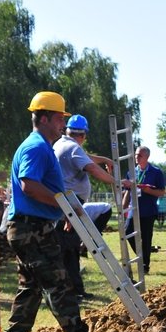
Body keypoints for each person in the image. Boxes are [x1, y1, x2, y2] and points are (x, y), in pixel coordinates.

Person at [1, 91, 112, 332]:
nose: (64, 124)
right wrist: (63, 205)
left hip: (30, 227)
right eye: (60, 118)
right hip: (32, 230)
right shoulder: (36, 147)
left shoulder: (41, 145)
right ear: (47, 118)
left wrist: (60, 212)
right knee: (60, 285)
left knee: (32, 288)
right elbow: (29, 185)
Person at [54, 114, 126, 296]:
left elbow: (85, 157)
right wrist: (118, 182)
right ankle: (71, 291)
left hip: (66, 203)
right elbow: (92, 168)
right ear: (83, 135)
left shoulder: (63, 144)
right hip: (70, 204)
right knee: (68, 249)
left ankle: (75, 290)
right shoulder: (72, 148)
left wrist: (105, 160)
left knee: (69, 249)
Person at [123, 146, 165, 274]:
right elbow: (127, 191)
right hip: (133, 210)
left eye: (139, 155)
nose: (136, 157)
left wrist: (148, 190)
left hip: (148, 211)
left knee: (146, 238)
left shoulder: (156, 172)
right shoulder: (131, 172)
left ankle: (145, 265)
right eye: (136, 154)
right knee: (127, 232)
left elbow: (161, 192)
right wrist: (124, 206)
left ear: (147, 157)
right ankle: (141, 256)